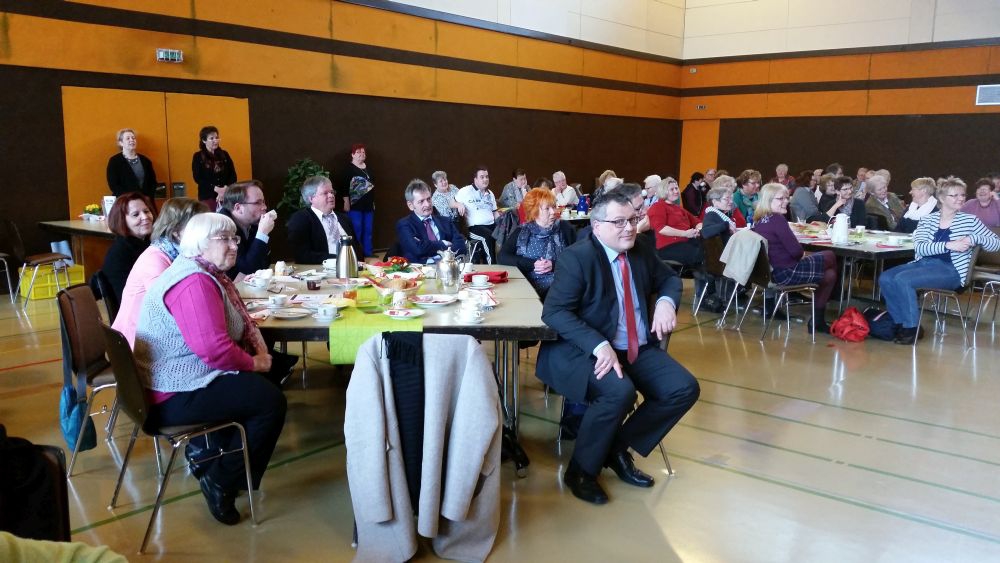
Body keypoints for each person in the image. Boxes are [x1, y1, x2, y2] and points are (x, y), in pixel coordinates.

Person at [536, 190, 700, 505]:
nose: (629, 228)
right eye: (619, 222)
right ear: (597, 226)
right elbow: (554, 312)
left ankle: (614, 448)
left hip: (635, 348)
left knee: (683, 388)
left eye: (633, 220)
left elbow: (669, 279)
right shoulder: (577, 257)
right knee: (618, 392)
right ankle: (581, 471)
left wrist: (666, 302)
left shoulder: (641, 249)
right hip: (584, 350)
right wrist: (598, 345)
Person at [134, 213, 288, 525]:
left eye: (235, 238)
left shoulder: (198, 271)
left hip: (173, 381)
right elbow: (214, 349)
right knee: (270, 401)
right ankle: (221, 479)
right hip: (171, 394)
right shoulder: (194, 282)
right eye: (224, 239)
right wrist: (253, 362)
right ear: (199, 244)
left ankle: (218, 460)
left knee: (266, 385)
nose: (234, 245)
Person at [880, 178, 1000, 344]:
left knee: (903, 280)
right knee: (885, 277)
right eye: (954, 195)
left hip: (951, 270)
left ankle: (911, 329)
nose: (960, 199)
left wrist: (974, 238)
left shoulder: (970, 220)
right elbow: (921, 248)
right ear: (942, 198)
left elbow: (996, 243)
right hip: (923, 264)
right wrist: (949, 245)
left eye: (963, 195)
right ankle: (900, 323)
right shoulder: (927, 220)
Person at [112, 198, 209, 347]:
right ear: (176, 231)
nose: (206, 231)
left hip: (157, 334)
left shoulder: (182, 253)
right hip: (137, 344)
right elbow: (168, 308)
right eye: (198, 226)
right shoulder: (154, 259)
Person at [751, 184, 838, 333]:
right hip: (786, 273)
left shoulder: (759, 220)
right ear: (768, 200)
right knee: (830, 256)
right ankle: (820, 317)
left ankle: (817, 320)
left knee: (830, 275)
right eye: (781, 198)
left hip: (770, 272)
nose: (786, 201)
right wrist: (803, 254)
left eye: (786, 198)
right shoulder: (777, 219)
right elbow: (796, 252)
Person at [499, 188, 576, 299]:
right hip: (528, 287)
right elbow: (502, 257)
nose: (553, 212)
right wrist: (533, 264)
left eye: (554, 207)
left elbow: (576, 260)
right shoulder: (522, 231)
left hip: (560, 287)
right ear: (535, 212)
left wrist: (554, 265)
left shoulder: (565, 229)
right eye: (547, 208)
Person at [286, 175, 362, 264]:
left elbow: (357, 248)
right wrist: (340, 259)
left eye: (332, 192)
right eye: (325, 193)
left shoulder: (344, 218)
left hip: (352, 268)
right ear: (311, 198)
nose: (331, 196)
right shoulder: (300, 219)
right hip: (322, 269)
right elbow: (302, 255)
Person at [102, 193, 156, 307]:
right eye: (136, 215)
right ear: (122, 220)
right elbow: (130, 299)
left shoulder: (148, 243)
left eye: (146, 211)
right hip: (135, 311)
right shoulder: (119, 253)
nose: (145, 217)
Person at [396, 179, 467, 264]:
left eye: (429, 199)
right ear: (411, 205)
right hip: (421, 269)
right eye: (421, 201)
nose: (427, 204)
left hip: (447, 267)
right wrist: (443, 244)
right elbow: (418, 249)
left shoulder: (445, 221)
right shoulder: (405, 225)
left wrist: (427, 246)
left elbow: (461, 247)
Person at [216, 180, 275, 278]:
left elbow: (263, 264)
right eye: (258, 203)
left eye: (263, 202)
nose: (264, 207)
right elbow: (248, 269)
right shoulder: (222, 229)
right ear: (238, 208)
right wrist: (262, 234)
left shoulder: (254, 223)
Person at [647, 178, 704, 266]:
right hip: (667, 247)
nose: (676, 191)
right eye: (672, 189)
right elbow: (661, 229)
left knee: (708, 249)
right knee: (700, 254)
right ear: (664, 191)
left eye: (676, 188)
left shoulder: (679, 208)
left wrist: (698, 229)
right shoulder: (658, 206)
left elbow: (697, 222)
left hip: (686, 242)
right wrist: (685, 233)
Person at [455, 166, 500, 264]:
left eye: (487, 177)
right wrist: (458, 204)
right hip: (474, 227)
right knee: (488, 237)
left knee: (505, 234)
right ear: (475, 179)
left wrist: (502, 224)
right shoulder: (466, 191)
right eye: (482, 177)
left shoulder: (490, 193)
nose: (485, 179)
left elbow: (495, 212)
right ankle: (492, 267)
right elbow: (450, 202)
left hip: (491, 225)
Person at [341, 143, 375, 257]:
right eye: (358, 152)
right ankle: (356, 254)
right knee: (357, 229)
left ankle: (368, 252)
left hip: (368, 205)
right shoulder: (348, 169)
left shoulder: (368, 168)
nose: (362, 154)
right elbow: (344, 187)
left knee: (368, 229)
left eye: (363, 152)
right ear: (353, 154)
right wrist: (346, 202)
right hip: (355, 205)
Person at [191, 126, 237, 210]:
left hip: (226, 195)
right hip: (207, 196)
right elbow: (198, 178)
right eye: (211, 138)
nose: (215, 140)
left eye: (217, 137)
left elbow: (233, 175)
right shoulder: (198, 156)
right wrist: (216, 189)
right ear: (204, 140)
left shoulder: (224, 154)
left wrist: (225, 189)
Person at [106, 128, 158, 200]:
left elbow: (153, 182)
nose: (132, 140)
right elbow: (114, 185)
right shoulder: (114, 161)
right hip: (125, 201)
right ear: (121, 143)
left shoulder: (145, 160)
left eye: (133, 138)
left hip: (145, 201)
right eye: (128, 138)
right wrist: (130, 198)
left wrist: (148, 197)